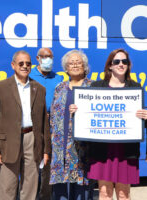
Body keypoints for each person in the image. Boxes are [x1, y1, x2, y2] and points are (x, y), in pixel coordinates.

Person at [70, 48, 147, 200]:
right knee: (104, 193)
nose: (121, 64)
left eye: (124, 61)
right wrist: (77, 111)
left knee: (124, 194)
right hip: (102, 150)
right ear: (109, 65)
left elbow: (140, 118)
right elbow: (87, 113)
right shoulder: (97, 87)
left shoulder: (135, 88)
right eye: (117, 61)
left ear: (128, 65)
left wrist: (145, 115)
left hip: (126, 150)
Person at [0, 50, 51, 200]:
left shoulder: (39, 89)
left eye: (28, 64)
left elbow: (44, 122)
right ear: (13, 65)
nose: (25, 66)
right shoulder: (0, 87)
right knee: (7, 188)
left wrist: (46, 149)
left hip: (32, 140)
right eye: (21, 63)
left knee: (30, 187)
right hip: (8, 143)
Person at [50, 49, 93, 200]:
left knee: (82, 192)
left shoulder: (93, 87)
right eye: (71, 63)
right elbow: (53, 117)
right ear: (66, 68)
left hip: (83, 149)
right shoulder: (59, 88)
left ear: (85, 66)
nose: (75, 65)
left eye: (78, 62)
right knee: (60, 193)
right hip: (60, 149)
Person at [29, 47, 63, 200]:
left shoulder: (58, 78)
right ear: (37, 58)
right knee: (31, 163)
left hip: (52, 128)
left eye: (50, 56)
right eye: (44, 56)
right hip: (33, 126)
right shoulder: (29, 75)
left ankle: (45, 196)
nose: (47, 59)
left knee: (48, 164)